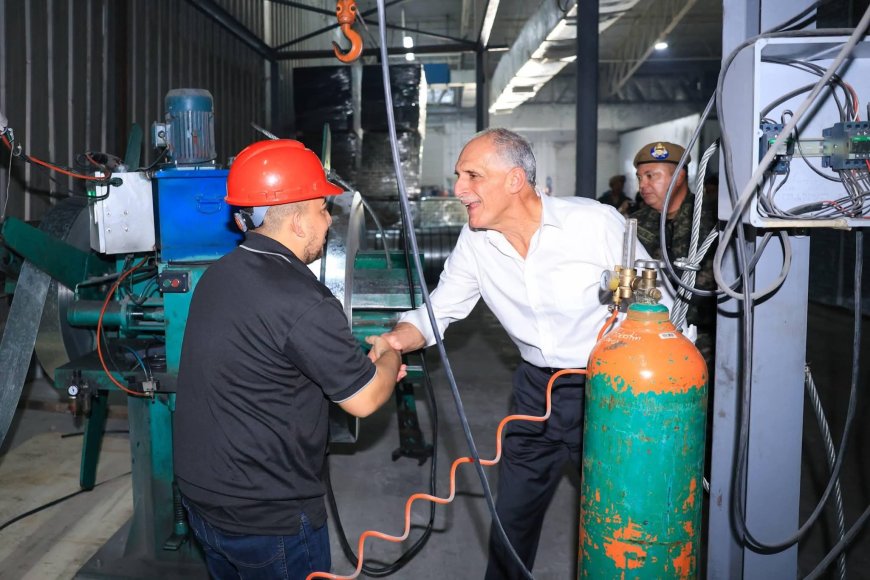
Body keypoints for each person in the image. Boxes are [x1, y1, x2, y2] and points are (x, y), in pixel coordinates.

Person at [375, 128, 671, 579]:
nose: (459, 189)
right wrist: (395, 340)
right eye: (458, 176)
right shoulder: (477, 241)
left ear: (515, 180)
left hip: (608, 390)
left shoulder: (594, 224)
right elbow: (438, 311)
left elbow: (660, 305)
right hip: (535, 393)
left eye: (472, 175)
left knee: (624, 519)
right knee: (511, 522)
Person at [173, 140, 405, 580]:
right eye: (322, 209)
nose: (329, 220)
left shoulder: (218, 274)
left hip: (202, 499)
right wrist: (390, 356)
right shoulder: (303, 300)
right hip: (266, 518)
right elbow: (364, 399)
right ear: (297, 221)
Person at [630, 141, 717, 368]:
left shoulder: (712, 219)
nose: (643, 185)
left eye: (651, 176)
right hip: (648, 335)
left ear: (679, 177)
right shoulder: (635, 224)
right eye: (640, 178)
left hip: (703, 339)